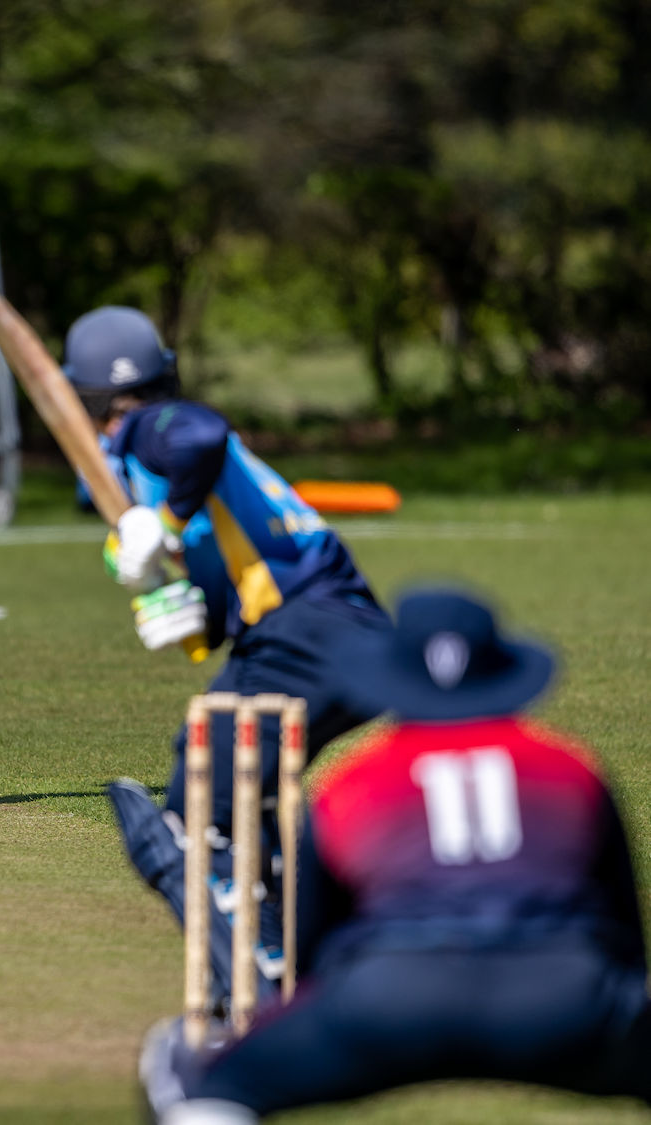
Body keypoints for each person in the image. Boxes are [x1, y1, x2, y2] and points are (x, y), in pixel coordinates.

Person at [140, 588, 651, 1123]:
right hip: (560, 995)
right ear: (503, 673)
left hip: (388, 996)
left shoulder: (354, 779)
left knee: (204, 1082)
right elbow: (626, 930)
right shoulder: (570, 766)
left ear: (393, 676)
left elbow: (310, 951)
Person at [61, 306, 390, 1005]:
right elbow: (214, 596)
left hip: (310, 621)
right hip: (333, 628)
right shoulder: (137, 466)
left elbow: (204, 433)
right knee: (246, 791)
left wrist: (166, 523)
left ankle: (259, 970)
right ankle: (286, 958)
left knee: (204, 769)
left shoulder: (150, 425)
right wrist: (179, 609)